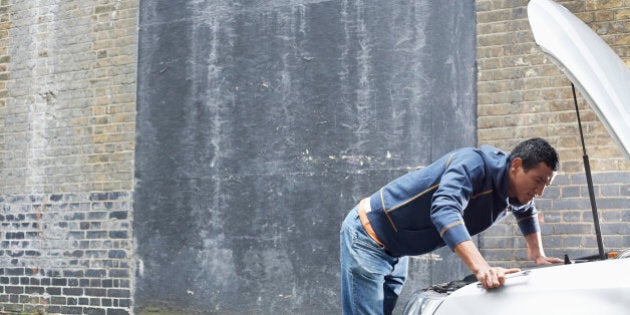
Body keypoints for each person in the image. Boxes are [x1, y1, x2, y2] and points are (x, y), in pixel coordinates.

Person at [339, 137, 564, 315]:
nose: (540, 191)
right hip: (368, 237)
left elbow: (527, 210)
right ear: (516, 165)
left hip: (397, 249)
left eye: (546, 183)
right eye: (537, 180)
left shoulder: (513, 191)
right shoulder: (473, 165)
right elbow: (445, 211)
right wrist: (481, 269)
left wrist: (538, 254)